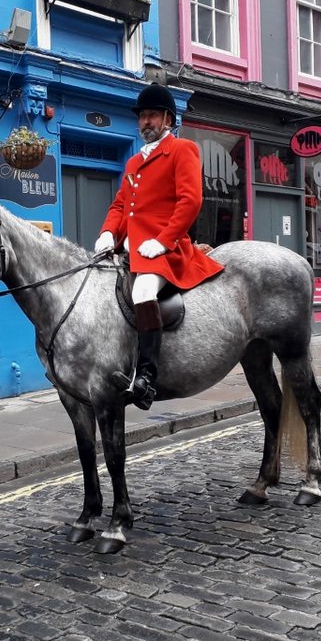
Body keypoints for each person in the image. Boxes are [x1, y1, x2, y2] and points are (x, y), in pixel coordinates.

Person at [93, 82, 224, 410]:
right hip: (132, 249)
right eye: (142, 117)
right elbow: (121, 206)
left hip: (166, 251)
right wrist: (108, 233)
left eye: (152, 116)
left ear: (168, 118)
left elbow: (190, 201)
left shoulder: (182, 150)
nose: (145, 122)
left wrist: (163, 241)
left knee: (142, 292)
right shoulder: (134, 162)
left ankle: (147, 376)